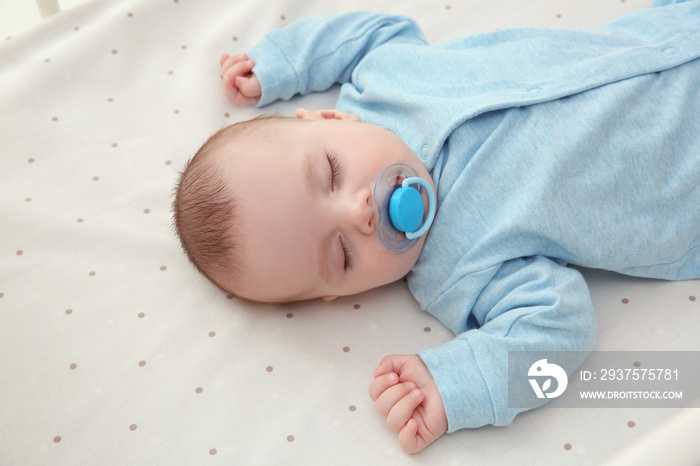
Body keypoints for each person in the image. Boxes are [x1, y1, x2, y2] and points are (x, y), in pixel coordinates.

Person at [173, 0, 700, 454]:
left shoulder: (385, 79)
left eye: (330, 172)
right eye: (341, 256)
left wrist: (289, 60)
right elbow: (560, 326)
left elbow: (374, 32)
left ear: (328, 120)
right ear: (339, 294)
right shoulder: (458, 272)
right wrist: (456, 385)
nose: (360, 214)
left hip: (669, 30)